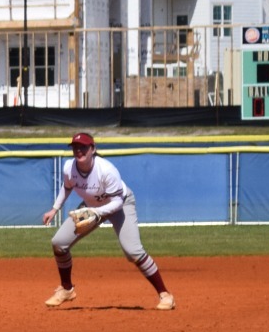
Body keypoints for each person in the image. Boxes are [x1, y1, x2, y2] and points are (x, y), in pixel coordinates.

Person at [42, 133, 174, 311]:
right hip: (91, 207)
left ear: (93, 149)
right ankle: (66, 289)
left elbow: (117, 202)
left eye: (83, 147)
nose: (78, 151)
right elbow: (66, 188)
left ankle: (165, 295)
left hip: (120, 205)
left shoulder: (106, 170)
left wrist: (95, 212)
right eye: (75, 147)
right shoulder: (69, 168)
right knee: (58, 243)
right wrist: (55, 209)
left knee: (133, 251)